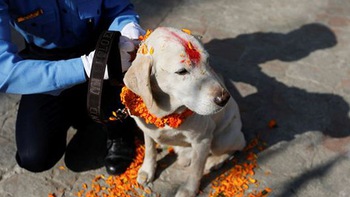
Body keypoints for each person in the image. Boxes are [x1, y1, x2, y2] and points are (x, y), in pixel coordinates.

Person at [0, 0, 145, 175]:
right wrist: (84, 67)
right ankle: (83, 114)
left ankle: (119, 131)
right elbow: (4, 70)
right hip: (45, 64)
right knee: (34, 156)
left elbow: (119, 8)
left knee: (125, 100)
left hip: (100, 46)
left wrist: (128, 28)